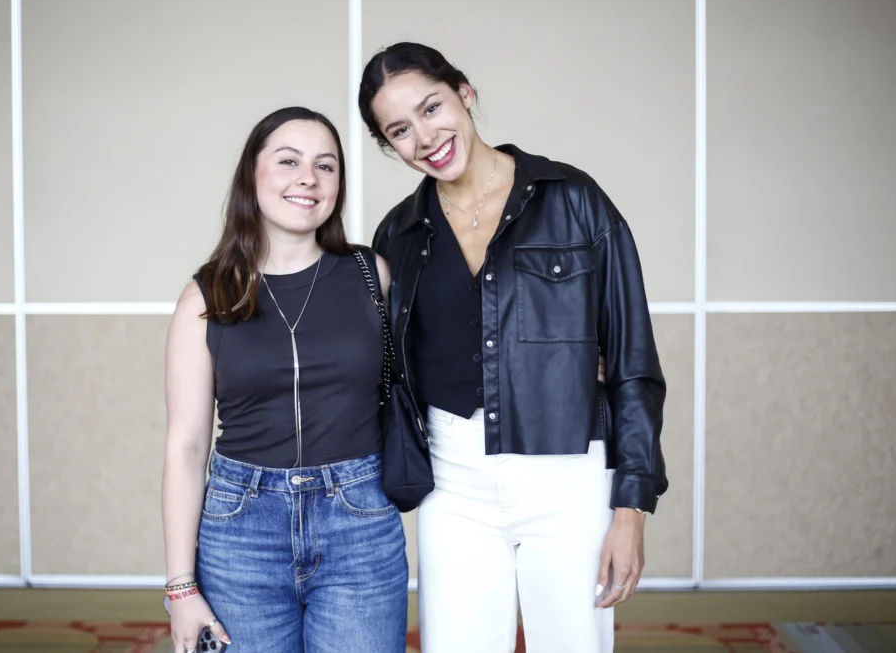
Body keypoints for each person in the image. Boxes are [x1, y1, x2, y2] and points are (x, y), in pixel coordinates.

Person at [359, 42, 669, 653]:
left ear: (465, 94)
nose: (425, 136)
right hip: (452, 483)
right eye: (400, 130)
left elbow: (633, 364)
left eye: (432, 108)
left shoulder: (574, 200)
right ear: (390, 145)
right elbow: (389, 372)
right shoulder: (398, 234)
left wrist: (631, 508)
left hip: (568, 474)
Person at [160, 106, 408, 653]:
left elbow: (438, 364)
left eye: (326, 166)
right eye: (289, 161)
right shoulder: (206, 296)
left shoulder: (372, 274)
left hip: (359, 523)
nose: (308, 178)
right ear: (252, 175)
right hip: (240, 531)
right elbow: (186, 445)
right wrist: (181, 587)